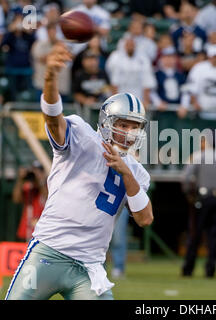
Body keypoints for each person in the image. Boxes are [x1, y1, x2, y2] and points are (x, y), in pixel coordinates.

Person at [5, 42, 153, 300]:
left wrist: (126, 173)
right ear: (107, 122)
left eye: (135, 127)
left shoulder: (137, 172)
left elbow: (145, 219)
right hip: (48, 253)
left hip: (89, 267)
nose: (129, 133)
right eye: (124, 125)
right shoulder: (82, 136)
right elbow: (53, 118)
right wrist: (50, 77)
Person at [181, 135, 216, 278]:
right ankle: (211, 270)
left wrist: (189, 194)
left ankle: (188, 269)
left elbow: (186, 177)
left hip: (202, 199)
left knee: (195, 234)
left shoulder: (198, 156)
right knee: (214, 236)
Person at [178, 44, 216, 123]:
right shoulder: (199, 68)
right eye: (213, 56)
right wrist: (192, 102)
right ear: (209, 56)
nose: (215, 59)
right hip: (201, 114)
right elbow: (190, 88)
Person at [12, 161, 48, 242]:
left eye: (38, 171)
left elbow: (46, 196)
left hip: (42, 231)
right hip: (27, 230)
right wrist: (20, 179)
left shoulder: (47, 186)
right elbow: (16, 199)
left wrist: (40, 181)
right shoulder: (28, 187)